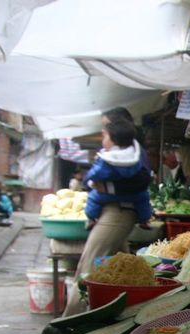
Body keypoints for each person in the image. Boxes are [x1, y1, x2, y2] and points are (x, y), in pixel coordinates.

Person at [62, 108, 150, 316]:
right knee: (123, 269)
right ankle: (123, 317)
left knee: (88, 267)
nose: (102, 134)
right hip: (113, 212)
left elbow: (142, 182)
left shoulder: (134, 153)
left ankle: (70, 322)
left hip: (118, 213)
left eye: (104, 129)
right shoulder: (122, 153)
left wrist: (108, 188)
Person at [83, 119, 152, 230]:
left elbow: (96, 173)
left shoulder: (108, 158)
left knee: (93, 198)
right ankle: (144, 220)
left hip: (109, 198)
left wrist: (90, 180)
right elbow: (143, 176)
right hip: (134, 196)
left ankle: (91, 218)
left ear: (113, 139)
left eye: (104, 136)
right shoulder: (134, 155)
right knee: (144, 198)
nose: (103, 139)